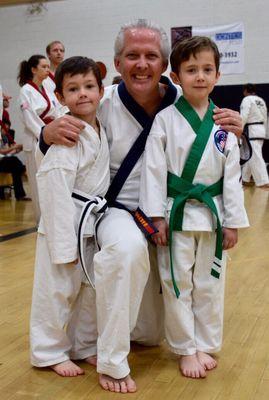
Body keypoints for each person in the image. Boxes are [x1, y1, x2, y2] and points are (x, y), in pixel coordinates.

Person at [38, 20, 243, 393]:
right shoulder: (101, 101)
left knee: (149, 335)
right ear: (117, 63)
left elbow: (217, 145)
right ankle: (113, 362)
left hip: (172, 212)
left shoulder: (187, 98)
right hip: (119, 211)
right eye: (132, 55)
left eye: (151, 56)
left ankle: (167, 337)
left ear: (166, 64)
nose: (142, 64)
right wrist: (43, 133)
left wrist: (235, 124)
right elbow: (68, 126)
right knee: (127, 250)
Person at [140, 36, 249, 379]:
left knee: (210, 282)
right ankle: (185, 348)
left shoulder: (223, 125)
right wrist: (155, 218)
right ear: (175, 76)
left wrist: (232, 222)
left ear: (217, 75)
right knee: (176, 283)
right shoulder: (165, 120)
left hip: (213, 216)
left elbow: (232, 177)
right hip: (175, 214)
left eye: (207, 69)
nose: (199, 76)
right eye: (191, 70)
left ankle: (204, 342)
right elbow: (154, 171)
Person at [30, 56, 110, 377]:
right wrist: (64, 246)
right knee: (57, 290)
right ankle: (48, 350)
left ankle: (84, 345)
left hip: (90, 222)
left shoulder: (98, 126)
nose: (83, 94)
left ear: (101, 91)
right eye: (73, 89)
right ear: (60, 98)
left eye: (89, 86)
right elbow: (53, 191)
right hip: (63, 225)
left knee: (90, 288)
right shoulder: (66, 135)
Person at [18, 54, 59, 223]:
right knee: (37, 180)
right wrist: (45, 134)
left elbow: (57, 109)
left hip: (52, 136)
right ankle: (41, 220)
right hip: (37, 138)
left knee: (52, 178)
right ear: (33, 69)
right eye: (44, 66)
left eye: (48, 67)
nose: (47, 70)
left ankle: (54, 217)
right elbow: (29, 118)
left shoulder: (48, 88)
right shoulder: (25, 90)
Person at [240, 83, 269, 188]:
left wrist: (239, 129)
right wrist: (266, 132)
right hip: (261, 129)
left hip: (252, 130)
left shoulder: (247, 100)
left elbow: (244, 115)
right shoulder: (261, 100)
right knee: (251, 154)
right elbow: (266, 117)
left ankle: (263, 181)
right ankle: (245, 178)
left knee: (255, 155)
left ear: (245, 91)